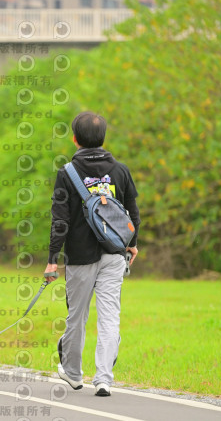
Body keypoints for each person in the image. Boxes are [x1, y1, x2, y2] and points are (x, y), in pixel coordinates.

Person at [44, 112, 140, 397]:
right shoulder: (120, 170)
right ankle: (104, 379)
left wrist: (52, 259)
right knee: (110, 316)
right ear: (103, 138)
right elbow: (132, 212)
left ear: (75, 139)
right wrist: (132, 243)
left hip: (80, 256)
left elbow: (60, 221)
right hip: (114, 253)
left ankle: (73, 374)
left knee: (77, 316)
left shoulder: (67, 173)